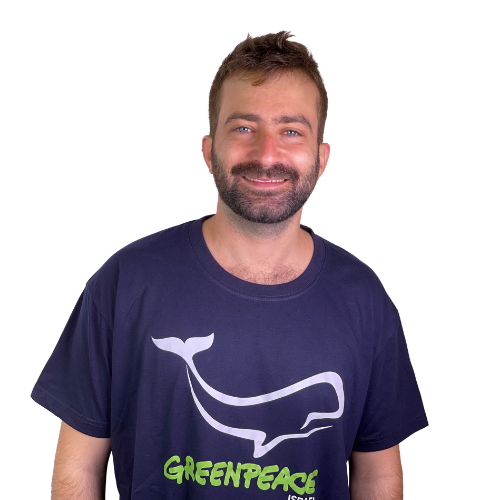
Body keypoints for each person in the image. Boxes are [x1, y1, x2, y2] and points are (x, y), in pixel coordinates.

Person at [32, 31, 427, 500]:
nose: (266, 154)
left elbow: (377, 476)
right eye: (243, 128)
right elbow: (78, 468)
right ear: (208, 150)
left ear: (321, 158)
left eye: (291, 131)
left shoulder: (364, 300)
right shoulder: (125, 283)